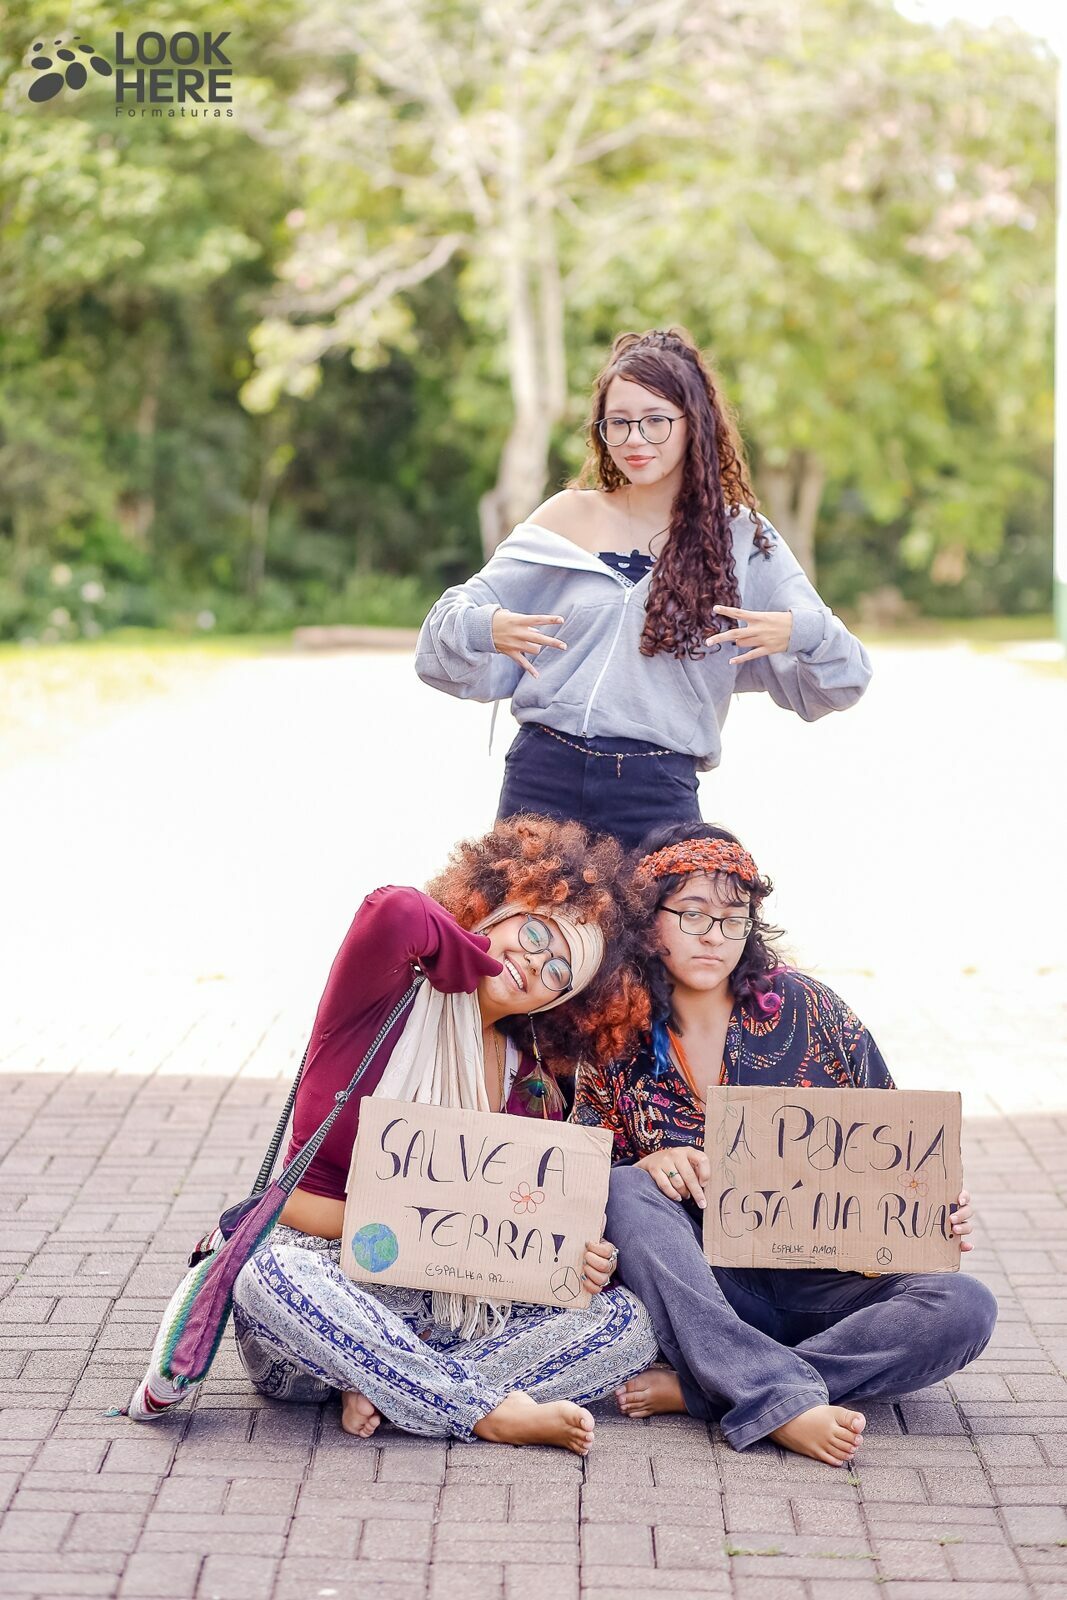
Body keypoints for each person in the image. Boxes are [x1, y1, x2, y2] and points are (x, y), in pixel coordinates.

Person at [571, 821, 996, 1467]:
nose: (713, 935)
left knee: (965, 1305)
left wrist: (938, 1208)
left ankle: (714, 1390)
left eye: (732, 917)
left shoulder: (810, 1010)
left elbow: (898, 1143)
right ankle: (774, 1390)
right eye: (691, 913)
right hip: (707, 1288)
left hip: (836, 1289)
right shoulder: (615, 1030)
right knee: (624, 1187)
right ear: (647, 919)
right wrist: (644, 1161)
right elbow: (578, 1174)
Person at [230, 815, 658, 1456]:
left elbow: (514, 1236)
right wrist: (412, 1231)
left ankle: (397, 1384)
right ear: (498, 907)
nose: (535, 961)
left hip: (441, 1307)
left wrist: (571, 1257)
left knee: (627, 1324)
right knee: (267, 1274)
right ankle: (478, 1407)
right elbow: (395, 910)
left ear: (559, 1003)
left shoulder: (530, 1082)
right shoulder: (382, 1000)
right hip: (324, 1293)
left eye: (559, 970)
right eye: (535, 932)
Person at [415, 327, 871, 849]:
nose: (635, 439)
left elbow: (846, 678)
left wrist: (799, 632)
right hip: (541, 777)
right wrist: (485, 626)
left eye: (656, 420)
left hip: (657, 790)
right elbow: (441, 634)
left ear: (694, 422)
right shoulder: (567, 516)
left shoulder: (741, 538)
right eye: (619, 423)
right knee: (520, 909)